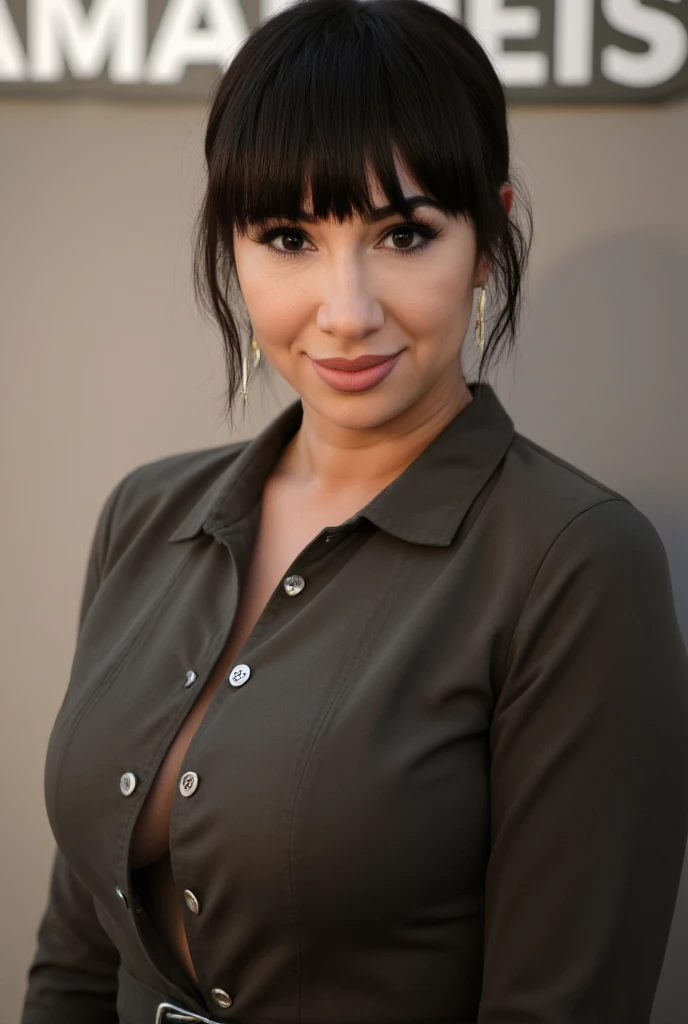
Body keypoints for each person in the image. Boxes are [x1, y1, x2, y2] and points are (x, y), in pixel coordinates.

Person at [20, 0, 688, 1022]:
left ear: (488, 235)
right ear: (232, 247)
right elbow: (76, 951)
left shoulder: (577, 561)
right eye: (287, 235)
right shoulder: (145, 514)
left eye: (404, 232)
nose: (346, 309)